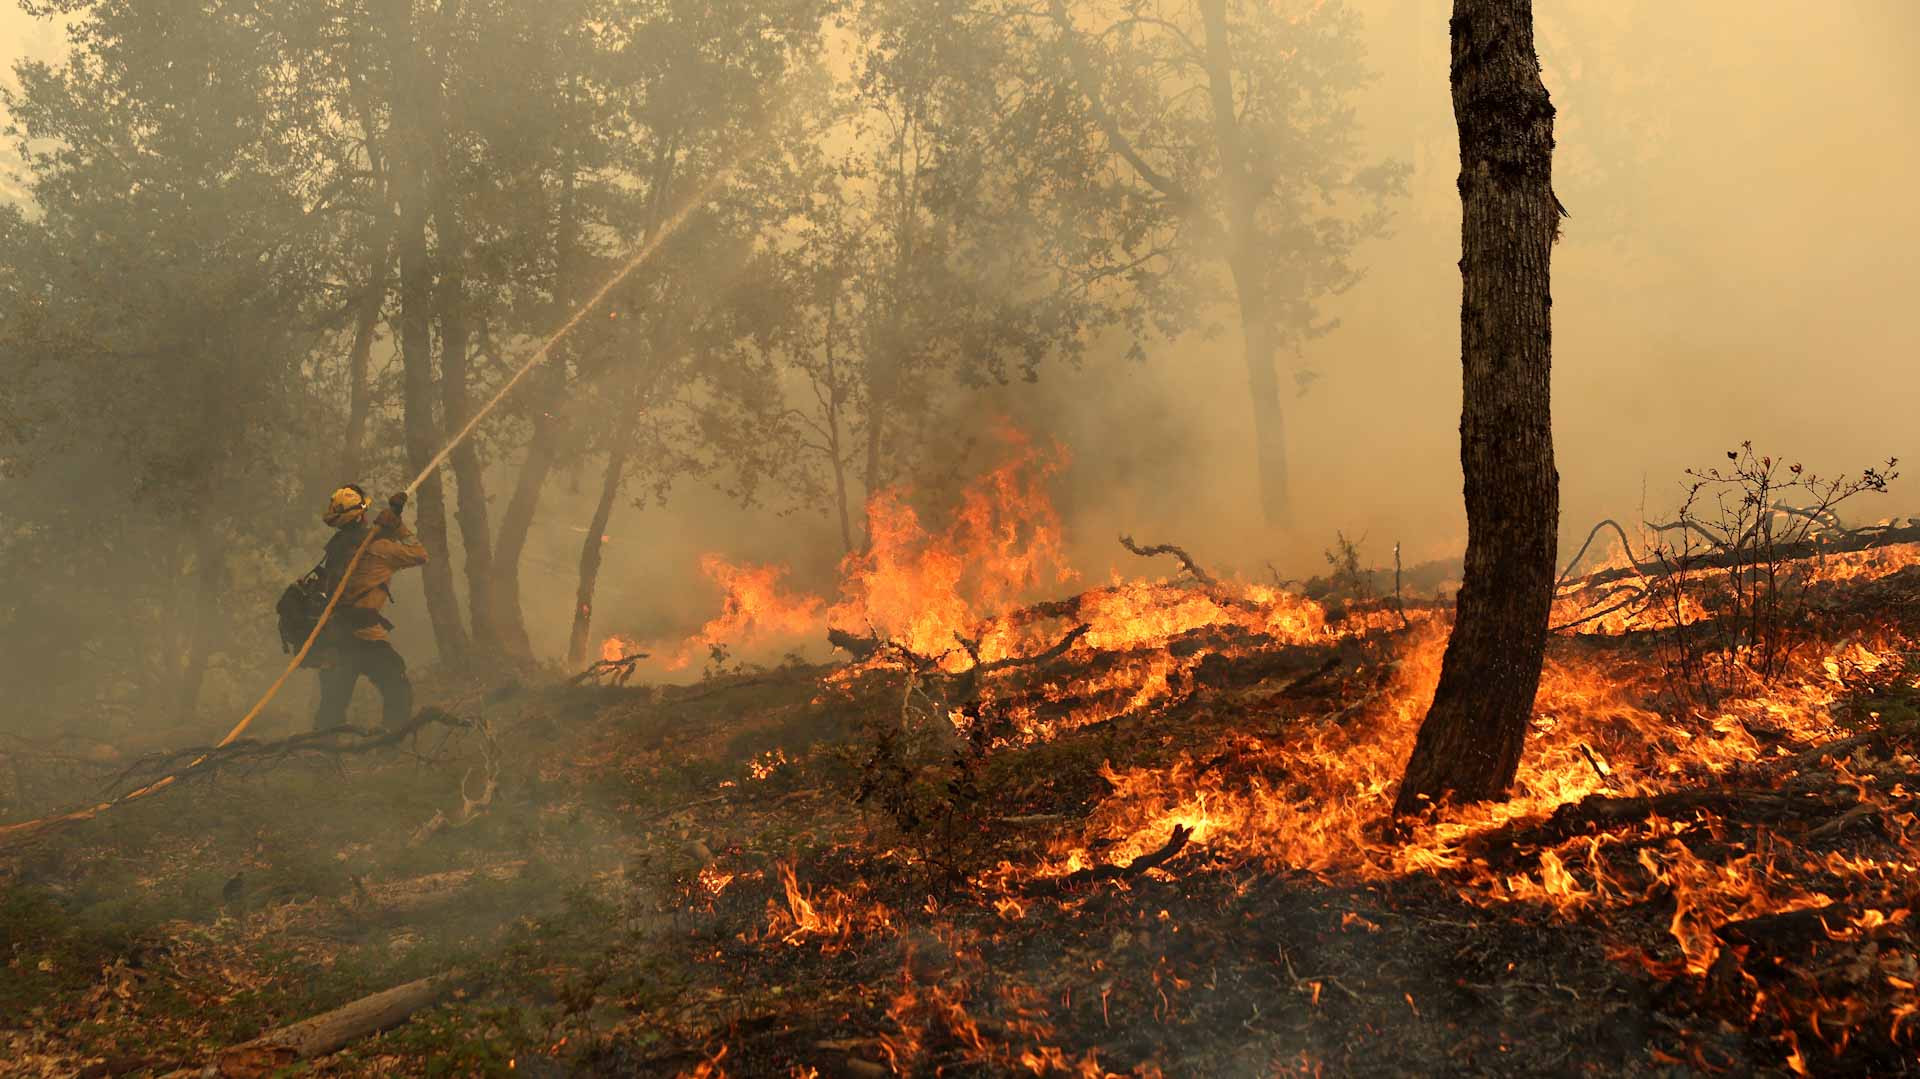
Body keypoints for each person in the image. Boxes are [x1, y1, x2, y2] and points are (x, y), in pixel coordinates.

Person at [313, 485, 428, 730]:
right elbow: (420, 554)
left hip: (333, 638)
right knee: (397, 690)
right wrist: (398, 527)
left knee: (331, 708)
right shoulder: (379, 549)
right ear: (362, 515)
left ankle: (321, 759)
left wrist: (387, 528)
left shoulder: (335, 549)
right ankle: (389, 745)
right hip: (364, 638)